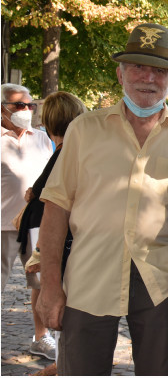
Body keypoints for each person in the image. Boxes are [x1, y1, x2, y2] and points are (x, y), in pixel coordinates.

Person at [36, 23, 168, 375]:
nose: (147, 77)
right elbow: (55, 209)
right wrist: (50, 286)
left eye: (159, 70)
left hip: (160, 281)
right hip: (88, 278)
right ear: (120, 74)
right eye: (137, 66)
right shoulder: (84, 130)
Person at [17, 91, 86, 375]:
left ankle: (54, 352)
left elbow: (39, 189)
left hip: (37, 227)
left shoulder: (65, 150)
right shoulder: (67, 151)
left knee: (44, 285)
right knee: (47, 286)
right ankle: (52, 350)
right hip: (43, 230)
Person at [1, 83, 54, 359]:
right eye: (19, 105)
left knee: (40, 283)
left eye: (30, 105)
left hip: (35, 225)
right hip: (2, 226)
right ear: (2, 108)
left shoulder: (43, 138)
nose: (26, 110)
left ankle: (41, 337)